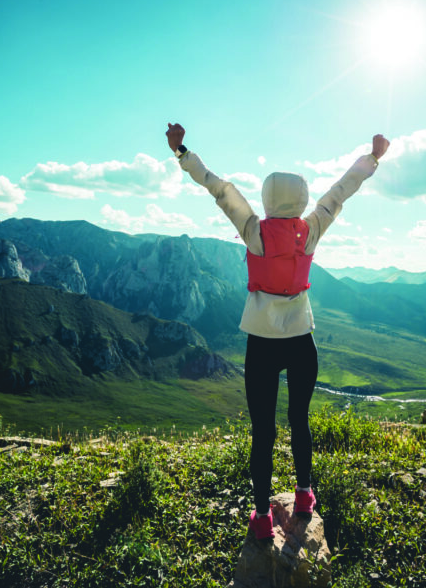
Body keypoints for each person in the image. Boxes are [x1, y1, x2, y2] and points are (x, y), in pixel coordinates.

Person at [166, 122, 390, 540]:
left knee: (263, 432)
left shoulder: (254, 231)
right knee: (299, 420)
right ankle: (304, 496)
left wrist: (182, 152)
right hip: (302, 341)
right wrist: (372, 157)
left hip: (262, 346)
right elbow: (341, 191)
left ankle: (263, 518)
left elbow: (218, 188)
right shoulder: (311, 230)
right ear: (301, 198)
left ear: (268, 198)